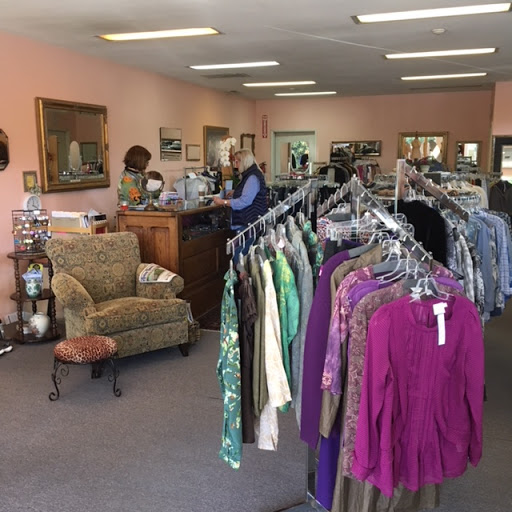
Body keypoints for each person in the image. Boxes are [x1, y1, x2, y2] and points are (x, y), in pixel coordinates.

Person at [213, 148, 267, 231]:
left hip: (249, 222)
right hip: (249, 222)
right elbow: (249, 191)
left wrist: (223, 202)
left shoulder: (252, 178)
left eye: (237, 162)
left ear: (244, 162)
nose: (235, 165)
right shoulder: (250, 174)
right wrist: (236, 192)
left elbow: (244, 201)